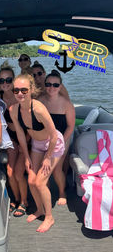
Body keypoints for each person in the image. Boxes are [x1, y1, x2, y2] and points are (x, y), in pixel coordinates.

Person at [9, 74, 65, 232]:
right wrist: (26, 157)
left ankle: (49, 217)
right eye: (16, 90)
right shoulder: (14, 110)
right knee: (32, 180)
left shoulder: (39, 108)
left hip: (53, 144)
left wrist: (48, 157)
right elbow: (20, 135)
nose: (20, 94)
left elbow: (54, 135)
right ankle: (39, 209)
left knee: (40, 182)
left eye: (24, 90)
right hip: (36, 145)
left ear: (31, 89)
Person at [39, 70, 75, 205]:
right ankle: (45, 191)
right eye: (48, 84)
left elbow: (70, 126)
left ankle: (61, 192)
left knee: (56, 169)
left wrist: (63, 142)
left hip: (61, 139)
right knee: (42, 168)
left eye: (55, 85)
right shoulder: (40, 101)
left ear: (60, 87)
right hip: (43, 138)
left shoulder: (66, 104)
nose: (51, 87)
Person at [0, 62, 28, 217]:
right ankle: (15, 200)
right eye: (2, 80)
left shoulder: (21, 98)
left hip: (27, 139)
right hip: (11, 139)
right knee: (9, 172)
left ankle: (24, 202)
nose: (5, 84)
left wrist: (25, 145)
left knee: (17, 173)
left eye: (8, 80)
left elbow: (31, 126)